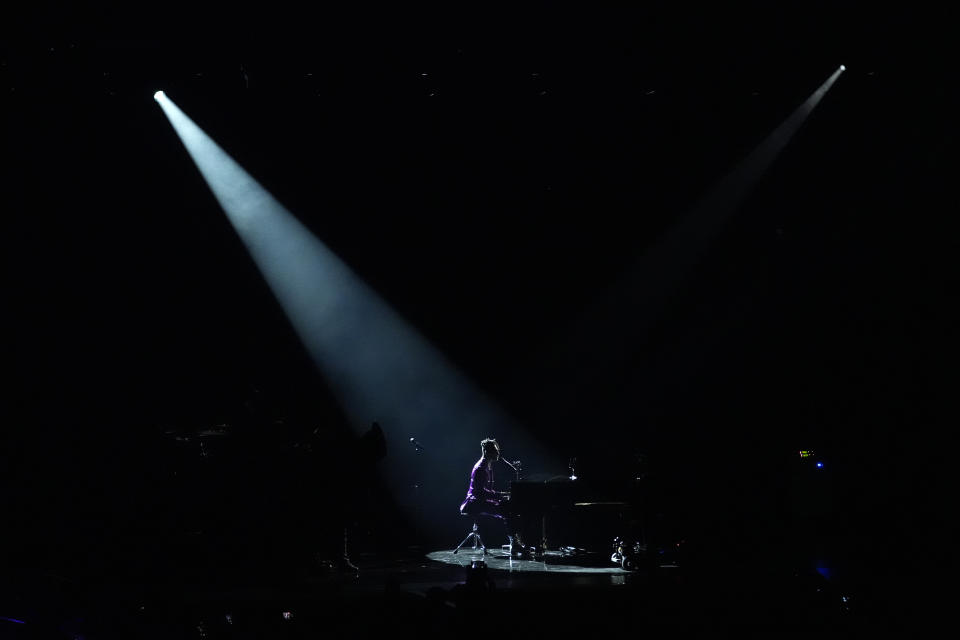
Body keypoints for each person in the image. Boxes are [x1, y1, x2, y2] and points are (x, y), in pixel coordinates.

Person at [459, 438, 530, 557]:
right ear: (487, 452)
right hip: (474, 503)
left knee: (510, 507)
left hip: (481, 500)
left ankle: (515, 542)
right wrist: (502, 495)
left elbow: (487, 491)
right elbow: (481, 493)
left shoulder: (488, 466)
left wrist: (502, 496)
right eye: (495, 451)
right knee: (508, 509)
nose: (498, 454)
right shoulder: (480, 468)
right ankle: (515, 544)